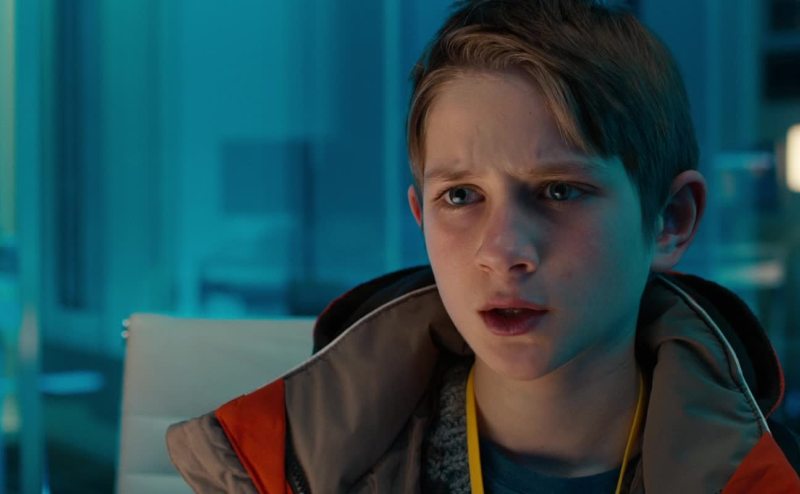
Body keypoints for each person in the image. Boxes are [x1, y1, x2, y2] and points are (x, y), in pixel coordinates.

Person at [166, 0, 800, 492]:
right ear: (420, 219)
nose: (501, 251)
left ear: (670, 220)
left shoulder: (769, 479)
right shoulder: (287, 470)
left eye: (559, 191)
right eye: (462, 196)